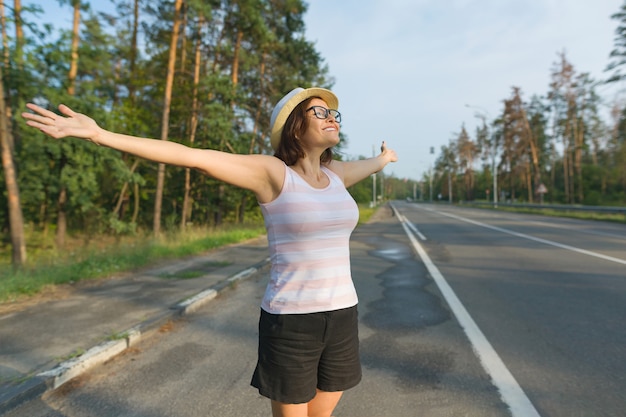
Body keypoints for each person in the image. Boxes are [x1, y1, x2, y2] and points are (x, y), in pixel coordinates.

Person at [22, 87, 397, 417]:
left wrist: (385, 159)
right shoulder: (272, 173)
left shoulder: (336, 176)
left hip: (342, 312)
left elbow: (373, 165)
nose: (331, 117)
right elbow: (192, 156)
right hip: (293, 320)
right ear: (295, 126)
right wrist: (101, 135)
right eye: (320, 112)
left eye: (334, 113)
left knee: (325, 408)